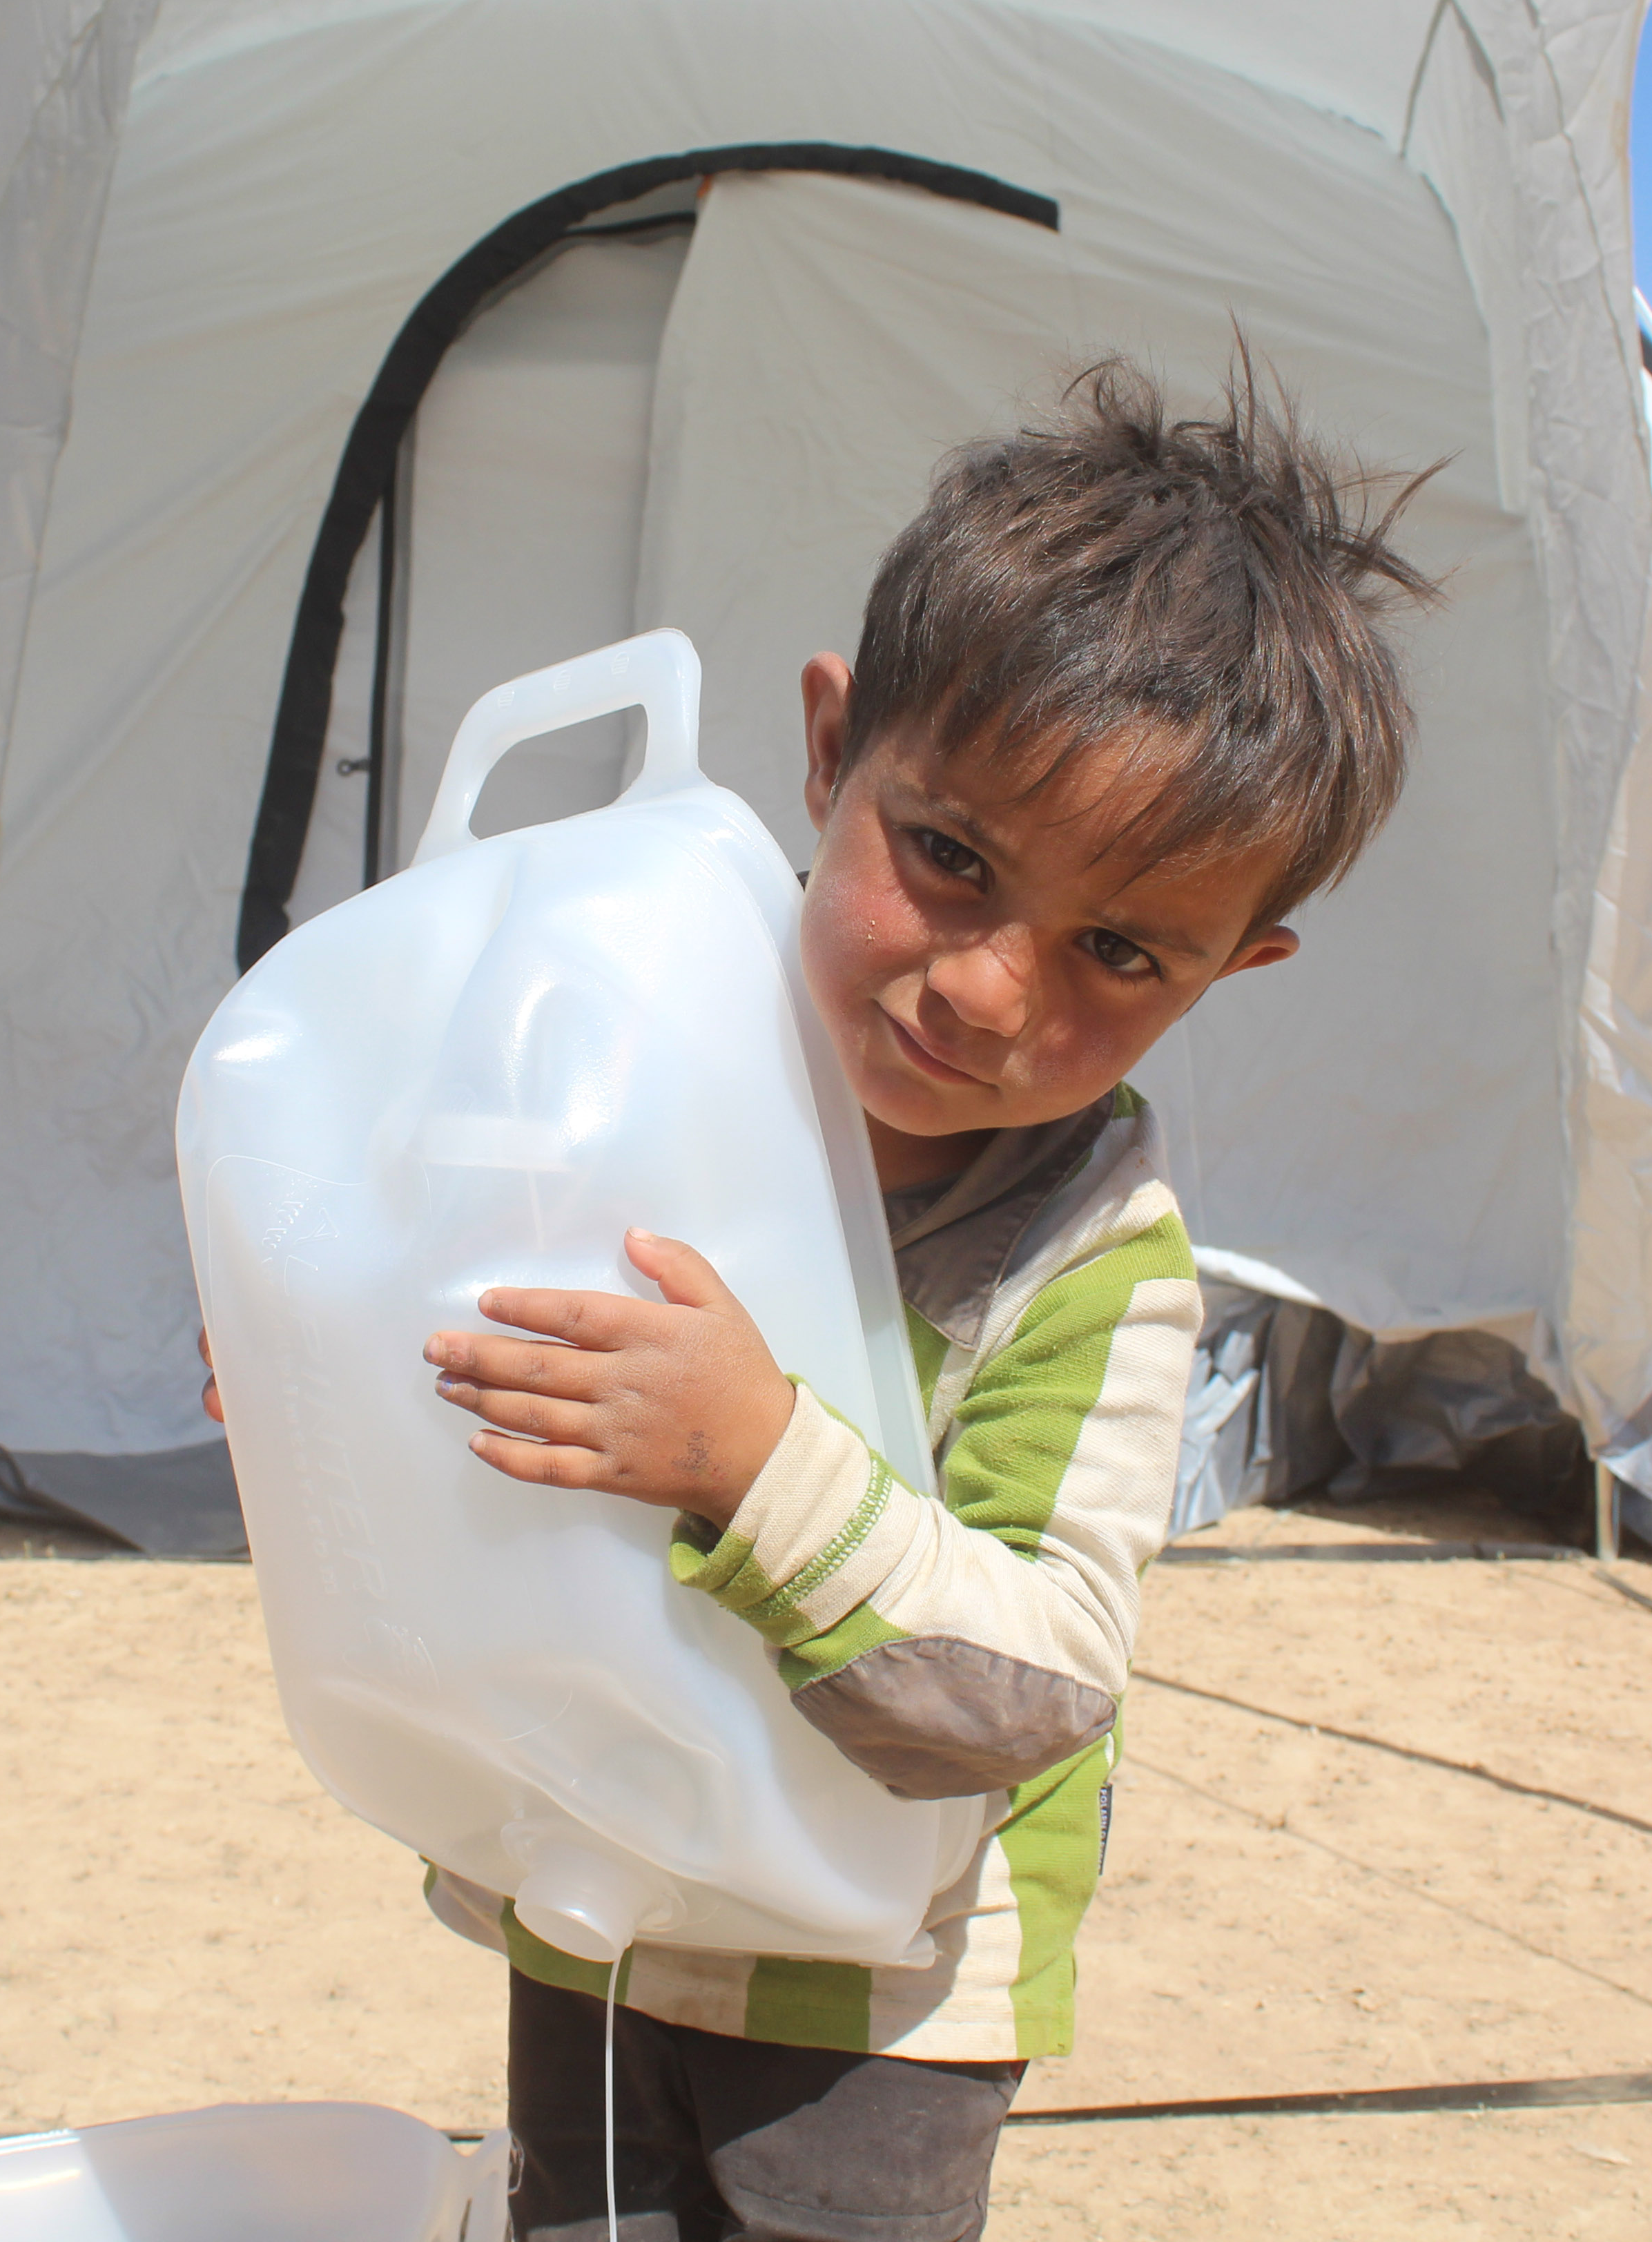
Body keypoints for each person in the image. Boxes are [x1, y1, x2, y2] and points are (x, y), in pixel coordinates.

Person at [204, 357, 1432, 2240]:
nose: (993, 995)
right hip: (600, 1878)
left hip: (878, 1996)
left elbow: (1033, 1684)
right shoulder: (636, 1058)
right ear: (830, 751)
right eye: (948, 860)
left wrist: (755, 1453)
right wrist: (345, 1368)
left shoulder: (1094, 1264)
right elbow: (474, 1335)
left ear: (1234, 964)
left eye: (1119, 950)